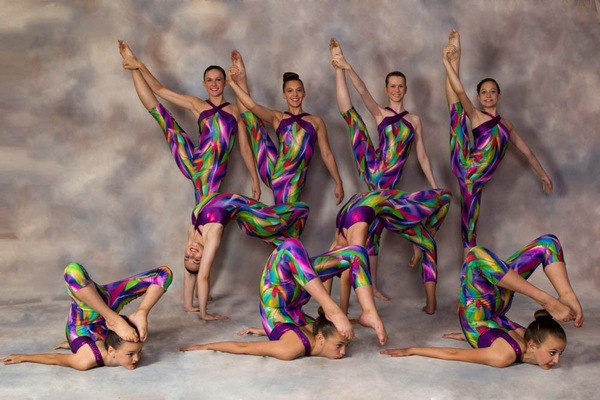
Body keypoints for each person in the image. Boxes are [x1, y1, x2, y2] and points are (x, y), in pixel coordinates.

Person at [329, 38, 439, 300]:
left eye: (401, 86)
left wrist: (434, 185)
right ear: (387, 89)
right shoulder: (380, 113)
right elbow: (363, 90)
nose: (397, 90)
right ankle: (337, 70)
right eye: (393, 86)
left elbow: (422, 155)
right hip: (374, 166)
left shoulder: (414, 120)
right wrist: (346, 66)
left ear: (406, 89)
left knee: (375, 228)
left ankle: (372, 286)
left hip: (388, 184)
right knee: (353, 119)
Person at [381, 234, 584, 368]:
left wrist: (413, 349)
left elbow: (455, 354)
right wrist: (413, 349)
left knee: (476, 257)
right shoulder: (518, 345)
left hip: (477, 314)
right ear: (532, 346)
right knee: (548, 243)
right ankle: (555, 297)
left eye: (558, 353)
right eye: (553, 352)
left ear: (531, 347)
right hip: (496, 306)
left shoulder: (508, 353)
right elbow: (459, 350)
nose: (557, 360)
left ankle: (553, 297)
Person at [442, 30, 553, 258]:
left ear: (499, 96)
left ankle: (469, 273)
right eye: (483, 92)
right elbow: (459, 90)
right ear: (479, 97)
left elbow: (527, 152)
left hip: (476, 182)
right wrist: (446, 62)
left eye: (492, 92)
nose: (488, 95)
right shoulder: (476, 116)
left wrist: (543, 174)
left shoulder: (506, 125)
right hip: (466, 166)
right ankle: (456, 57)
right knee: (456, 112)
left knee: (470, 228)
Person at [180, 238, 387, 360]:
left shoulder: (292, 347)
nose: (343, 352)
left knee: (290, 247)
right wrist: (264, 331)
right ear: (321, 338)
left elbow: (246, 347)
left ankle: (351, 310)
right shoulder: (306, 338)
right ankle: (351, 310)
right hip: (291, 294)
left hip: (277, 296)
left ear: (320, 340)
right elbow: (251, 344)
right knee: (356, 252)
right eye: (340, 345)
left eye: (343, 346)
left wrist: (205, 346)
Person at [118, 40, 260, 204]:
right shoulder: (197, 104)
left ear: (226, 82)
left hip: (214, 169)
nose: (214, 84)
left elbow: (245, 148)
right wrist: (140, 66)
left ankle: (133, 64)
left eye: (218, 80)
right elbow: (160, 90)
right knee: (161, 116)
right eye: (209, 80)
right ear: (204, 84)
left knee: (205, 208)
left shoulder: (235, 111)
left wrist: (255, 179)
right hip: (194, 160)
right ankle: (132, 65)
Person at [1, 262, 173, 370]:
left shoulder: (94, 356)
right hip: (104, 310)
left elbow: (55, 358)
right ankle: (113, 318)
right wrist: (21, 357)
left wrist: (143, 311)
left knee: (165, 273)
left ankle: (116, 317)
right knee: (72, 271)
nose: (137, 358)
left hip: (85, 319)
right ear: (111, 350)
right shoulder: (89, 358)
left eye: (138, 352)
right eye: (131, 354)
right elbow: (53, 358)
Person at [226, 50, 344, 205]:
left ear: (304, 93)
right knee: (253, 122)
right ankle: (242, 79)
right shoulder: (279, 117)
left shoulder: (316, 122)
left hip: (294, 179)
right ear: (284, 95)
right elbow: (252, 106)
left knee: (288, 215)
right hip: (276, 171)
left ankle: (264, 217)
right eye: (290, 91)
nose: (295, 94)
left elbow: (327, 154)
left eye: (298, 90)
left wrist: (338, 181)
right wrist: (234, 82)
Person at [184, 192, 310, 320]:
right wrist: (204, 314)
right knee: (282, 218)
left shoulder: (192, 231)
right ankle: (293, 248)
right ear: (204, 257)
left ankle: (292, 244)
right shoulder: (212, 234)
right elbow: (203, 276)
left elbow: (189, 273)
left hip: (241, 205)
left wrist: (188, 306)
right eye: (196, 259)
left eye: (187, 257)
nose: (192, 254)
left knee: (278, 229)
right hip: (247, 210)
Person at [331, 188, 452, 315]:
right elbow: (346, 277)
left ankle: (421, 243)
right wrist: (342, 312)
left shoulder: (340, 237)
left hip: (390, 203)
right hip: (391, 206)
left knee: (429, 241)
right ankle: (431, 305)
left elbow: (328, 271)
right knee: (445, 197)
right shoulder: (346, 236)